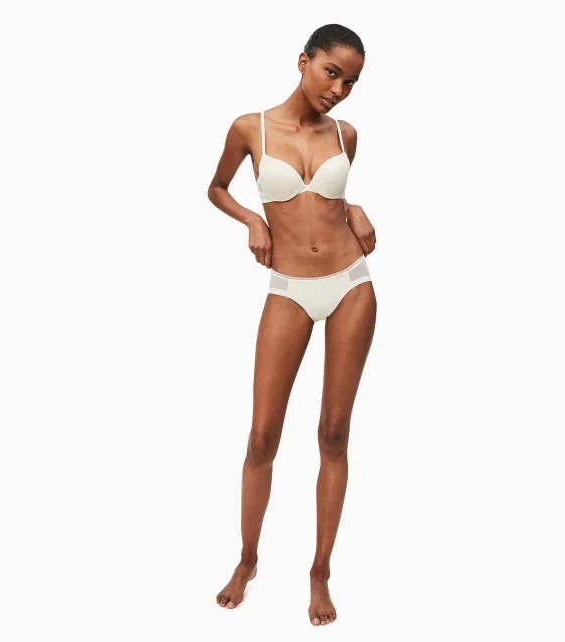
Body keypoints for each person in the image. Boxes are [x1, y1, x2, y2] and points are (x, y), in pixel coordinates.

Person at [207, 24, 377, 626]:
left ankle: (320, 571)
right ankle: (247, 560)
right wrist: (253, 220)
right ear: (303, 61)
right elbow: (215, 188)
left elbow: (329, 202)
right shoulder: (249, 128)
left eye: (351, 82)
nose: (339, 90)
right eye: (332, 73)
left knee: (334, 432)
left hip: (351, 284)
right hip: (288, 288)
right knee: (261, 437)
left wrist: (356, 207)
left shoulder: (345, 134)